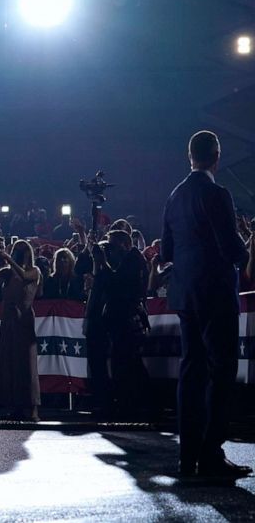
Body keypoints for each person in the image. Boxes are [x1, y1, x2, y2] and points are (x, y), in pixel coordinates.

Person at [161, 130, 251, 478]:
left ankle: (187, 456)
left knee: (191, 372)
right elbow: (231, 248)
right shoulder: (217, 193)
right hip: (215, 293)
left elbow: (166, 252)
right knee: (222, 370)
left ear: (190, 157)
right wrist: (245, 251)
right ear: (217, 155)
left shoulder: (175, 196)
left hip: (185, 295)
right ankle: (211, 452)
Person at [92, 230, 151, 419]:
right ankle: (134, 404)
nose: (112, 250)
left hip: (126, 319)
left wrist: (103, 263)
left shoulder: (133, 260)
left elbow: (117, 285)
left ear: (125, 244)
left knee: (125, 362)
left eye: (114, 245)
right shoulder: (129, 260)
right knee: (128, 362)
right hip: (122, 319)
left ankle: (130, 405)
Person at [0, 240, 42, 421]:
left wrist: (8, 258)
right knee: (10, 361)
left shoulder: (35, 270)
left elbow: (25, 276)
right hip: (8, 317)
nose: (18, 251)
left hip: (23, 317)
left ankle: (33, 408)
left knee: (27, 362)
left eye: (21, 249)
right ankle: (15, 406)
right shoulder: (8, 272)